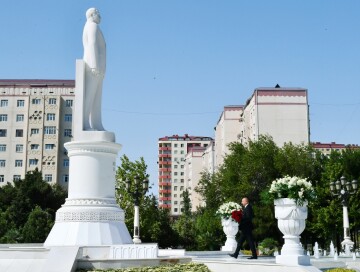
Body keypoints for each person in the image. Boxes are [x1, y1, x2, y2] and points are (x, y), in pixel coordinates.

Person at [82, 7, 106, 131]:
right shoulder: (92, 26)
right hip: (93, 67)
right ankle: (86, 124)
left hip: (98, 69)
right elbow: (92, 44)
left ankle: (97, 124)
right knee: (90, 96)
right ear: (92, 14)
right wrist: (95, 65)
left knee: (96, 98)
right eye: (98, 13)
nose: (100, 16)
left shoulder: (92, 26)